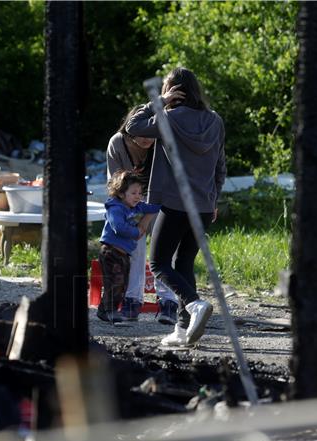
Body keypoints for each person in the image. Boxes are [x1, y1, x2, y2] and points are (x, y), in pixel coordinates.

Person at [125, 66, 226, 346]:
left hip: (175, 205)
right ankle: (183, 331)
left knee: (158, 263)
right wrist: (214, 199)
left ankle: (194, 305)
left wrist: (158, 103)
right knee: (183, 264)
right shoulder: (215, 121)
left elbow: (132, 127)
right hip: (204, 207)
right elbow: (220, 165)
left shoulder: (167, 118)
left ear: (172, 92)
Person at [106, 102, 183, 324]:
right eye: (141, 135)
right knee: (135, 249)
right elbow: (116, 186)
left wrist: (147, 217)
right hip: (127, 203)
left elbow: (169, 184)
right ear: (130, 129)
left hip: (160, 202)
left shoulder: (162, 145)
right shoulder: (117, 144)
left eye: (150, 134)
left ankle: (168, 302)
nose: (146, 140)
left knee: (164, 250)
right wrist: (134, 220)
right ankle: (132, 301)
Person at [97, 170, 161, 324]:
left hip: (124, 254)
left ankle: (104, 310)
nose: (138, 196)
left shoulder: (137, 207)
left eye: (140, 192)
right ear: (120, 193)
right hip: (111, 252)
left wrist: (163, 204)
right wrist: (136, 231)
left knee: (122, 284)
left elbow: (152, 208)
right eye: (133, 193)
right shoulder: (115, 208)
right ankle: (109, 311)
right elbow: (118, 227)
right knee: (115, 282)